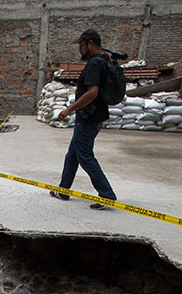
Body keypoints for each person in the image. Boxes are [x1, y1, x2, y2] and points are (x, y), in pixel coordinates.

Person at [50, 29, 117, 210]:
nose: (79, 50)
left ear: (90, 43)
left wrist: (68, 110)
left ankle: (107, 195)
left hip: (89, 118)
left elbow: (92, 92)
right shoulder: (102, 61)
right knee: (73, 154)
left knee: (85, 156)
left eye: (81, 45)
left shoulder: (95, 64)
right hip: (91, 117)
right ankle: (63, 190)